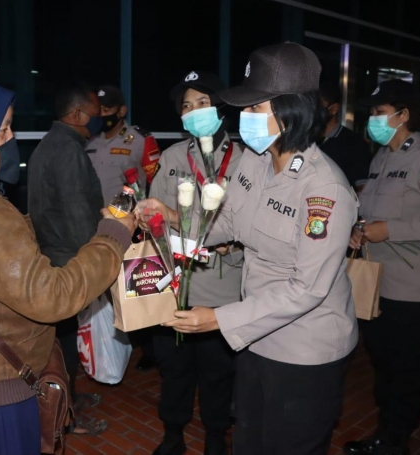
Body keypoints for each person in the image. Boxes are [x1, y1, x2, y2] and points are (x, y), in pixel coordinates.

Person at [139, 42, 359, 454]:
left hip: (303, 349)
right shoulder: (256, 162)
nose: (245, 118)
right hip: (256, 335)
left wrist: (220, 319)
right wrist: (171, 217)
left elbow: (307, 288)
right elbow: (228, 222)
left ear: (290, 109)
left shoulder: (324, 189)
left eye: (255, 108)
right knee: (248, 441)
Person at [0, 79, 137, 454]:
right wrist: (112, 235)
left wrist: (23, 227)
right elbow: (53, 299)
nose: (11, 137)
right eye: (2, 130)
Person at [343, 79, 420, 455]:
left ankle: (395, 441)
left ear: (405, 115)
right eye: (372, 113)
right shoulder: (381, 158)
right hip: (382, 285)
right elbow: (372, 213)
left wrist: (391, 231)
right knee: (384, 366)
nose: (373, 120)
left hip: (419, 291)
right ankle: (386, 433)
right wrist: (359, 230)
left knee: (407, 373)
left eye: (380, 113)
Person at [148, 70, 243, 455]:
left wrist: (228, 244)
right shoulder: (172, 157)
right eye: (186, 106)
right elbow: (157, 222)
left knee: (219, 372)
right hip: (176, 287)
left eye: (202, 103)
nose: (193, 111)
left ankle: (216, 437)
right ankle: (173, 435)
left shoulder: (245, 161)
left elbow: (249, 222)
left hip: (222, 289)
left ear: (219, 108)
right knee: (174, 369)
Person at [27, 80, 109, 434]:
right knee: (63, 344)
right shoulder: (69, 151)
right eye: (96, 112)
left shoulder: (48, 144)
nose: (100, 118)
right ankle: (66, 413)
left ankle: (69, 396)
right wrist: (97, 262)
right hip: (68, 261)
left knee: (60, 341)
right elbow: (78, 218)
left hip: (49, 256)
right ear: (76, 114)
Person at [86, 84, 161, 371]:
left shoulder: (140, 140)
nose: (103, 114)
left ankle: (149, 347)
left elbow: (154, 182)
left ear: (121, 111)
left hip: (132, 225)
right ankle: (118, 341)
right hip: (100, 226)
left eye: (108, 110)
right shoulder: (90, 141)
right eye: (99, 110)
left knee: (137, 286)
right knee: (107, 287)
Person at [319, 83, 373, 193]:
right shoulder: (304, 140)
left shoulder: (354, 144)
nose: (312, 111)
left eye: (318, 106)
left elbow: (363, 190)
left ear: (334, 109)